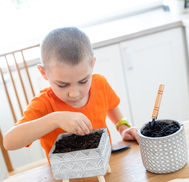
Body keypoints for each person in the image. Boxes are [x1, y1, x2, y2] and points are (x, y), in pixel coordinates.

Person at [3, 27, 138, 160]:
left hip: (104, 164)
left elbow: (111, 106)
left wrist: (123, 127)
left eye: (83, 81)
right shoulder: (44, 104)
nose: (74, 94)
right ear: (44, 73)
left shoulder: (100, 83)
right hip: (65, 178)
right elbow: (9, 142)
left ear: (92, 65)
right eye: (62, 85)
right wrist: (55, 119)